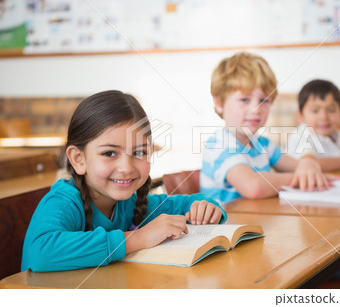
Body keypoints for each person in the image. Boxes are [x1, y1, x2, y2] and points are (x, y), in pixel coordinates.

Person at [22, 90, 226, 272]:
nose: (127, 168)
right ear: (78, 159)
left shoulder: (133, 202)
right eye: (110, 153)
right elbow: (41, 252)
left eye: (139, 152)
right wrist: (137, 239)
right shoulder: (64, 201)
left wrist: (208, 208)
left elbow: (184, 204)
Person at [200, 52, 334, 204]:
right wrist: (303, 177)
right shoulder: (218, 145)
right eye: (244, 99)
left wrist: (308, 164)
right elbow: (253, 186)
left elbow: (297, 165)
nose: (256, 109)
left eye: (264, 100)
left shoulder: (262, 144)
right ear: (219, 103)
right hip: (228, 226)